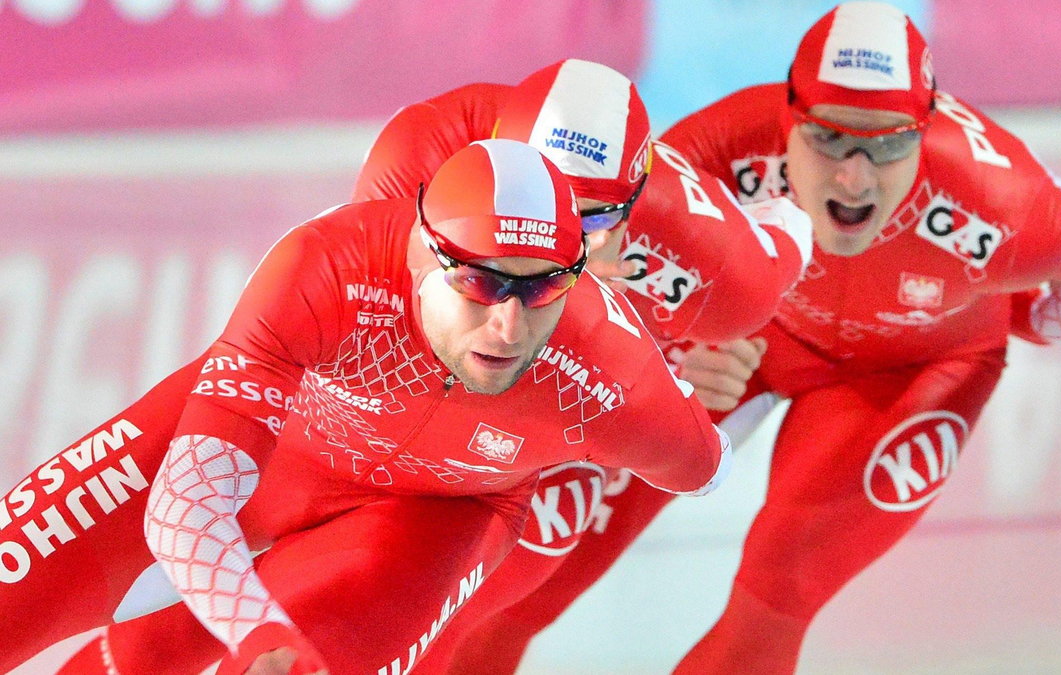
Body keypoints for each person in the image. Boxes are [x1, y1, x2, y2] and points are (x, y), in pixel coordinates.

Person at [387, 3, 1061, 673]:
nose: (854, 178)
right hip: (748, 344)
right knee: (535, 565)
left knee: (779, 586)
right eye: (827, 139)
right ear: (787, 116)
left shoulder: (1001, 204)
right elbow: (612, 263)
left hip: (912, 370)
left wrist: (1029, 316)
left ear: (928, 130)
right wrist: (669, 347)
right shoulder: (717, 151)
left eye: (888, 144)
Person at [53, 57, 811, 675]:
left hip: (494, 469)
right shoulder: (410, 163)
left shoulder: (716, 269)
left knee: (518, 560)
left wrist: (667, 363)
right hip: (361, 424)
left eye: (593, 219)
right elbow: (389, 341)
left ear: (639, 203)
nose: (558, 237)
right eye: (494, 263)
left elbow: (791, 235)